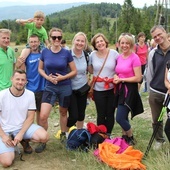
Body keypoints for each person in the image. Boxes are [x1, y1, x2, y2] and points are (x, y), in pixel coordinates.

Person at [38, 27, 77, 151]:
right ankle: (43, 139)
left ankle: (63, 134)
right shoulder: (45, 52)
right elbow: (40, 69)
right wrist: (47, 78)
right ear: (50, 38)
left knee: (63, 112)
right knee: (43, 116)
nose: (56, 39)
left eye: (59, 37)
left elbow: (74, 71)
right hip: (50, 87)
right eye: (54, 37)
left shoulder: (66, 53)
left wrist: (63, 77)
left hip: (64, 86)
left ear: (61, 38)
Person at [0, 69, 49, 168]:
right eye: (17, 79)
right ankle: (6, 144)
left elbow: (31, 117)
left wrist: (21, 134)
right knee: (6, 163)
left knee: (44, 137)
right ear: (12, 79)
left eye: (23, 80)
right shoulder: (2, 95)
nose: (20, 82)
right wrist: (4, 136)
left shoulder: (30, 94)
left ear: (26, 81)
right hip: (5, 130)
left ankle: (23, 141)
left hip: (22, 128)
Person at [113, 33, 144, 145]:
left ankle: (131, 137)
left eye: (127, 43)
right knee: (123, 116)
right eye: (122, 43)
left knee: (120, 118)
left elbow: (138, 77)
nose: (124, 45)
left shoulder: (134, 58)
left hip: (129, 90)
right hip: (120, 89)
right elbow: (119, 72)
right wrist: (117, 77)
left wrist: (122, 80)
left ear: (131, 44)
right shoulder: (119, 57)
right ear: (119, 44)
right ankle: (124, 137)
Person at [88, 33, 119, 135]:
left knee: (110, 113)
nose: (100, 43)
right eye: (97, 42)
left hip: (111, 88)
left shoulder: (114, 53)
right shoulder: (92, 55)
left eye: (101, 41)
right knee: (101, 114)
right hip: (98, 89)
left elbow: (119, 68)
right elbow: (90, 70)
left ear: (105, 42)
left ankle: (108, 134)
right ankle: (101, 134)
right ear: (95, 45)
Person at [146, 25, 170, 150]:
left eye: (159, 34)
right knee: (156, 119)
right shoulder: (153, 53)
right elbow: (150, 72)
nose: (158, 38)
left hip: (169, 91)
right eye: (155, 37)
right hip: (156, 91)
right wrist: (151, 89)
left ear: (165, 32)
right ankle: (159, 140)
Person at [17, 34, 45, 125]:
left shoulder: (43, 54)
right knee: (29, 115)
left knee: (41, 115)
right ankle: (28, 135)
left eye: (35, 42)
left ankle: (41, 136)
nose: (34, 44)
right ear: (29, 43)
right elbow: (21, 70)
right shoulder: (26, 56)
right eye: (32, 42)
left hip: (42, 88)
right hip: (30, 89)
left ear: (39, 42)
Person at [67, 32, 90, 129]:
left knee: (81, 114)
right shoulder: (67, 54)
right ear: (74, 41)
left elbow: (90, 69)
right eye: (78, 40)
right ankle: (66, 132)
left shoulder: (86, 55)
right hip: (70, 88)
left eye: (82, 41)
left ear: (85, 43)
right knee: (73, 116)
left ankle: (79, 134)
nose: (80, 43)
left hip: (82, 88)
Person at [164, 60, 170, 143]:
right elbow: (165, 80)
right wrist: (169, 86)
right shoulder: (168, 63)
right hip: (169, 100)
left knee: (167, 129)